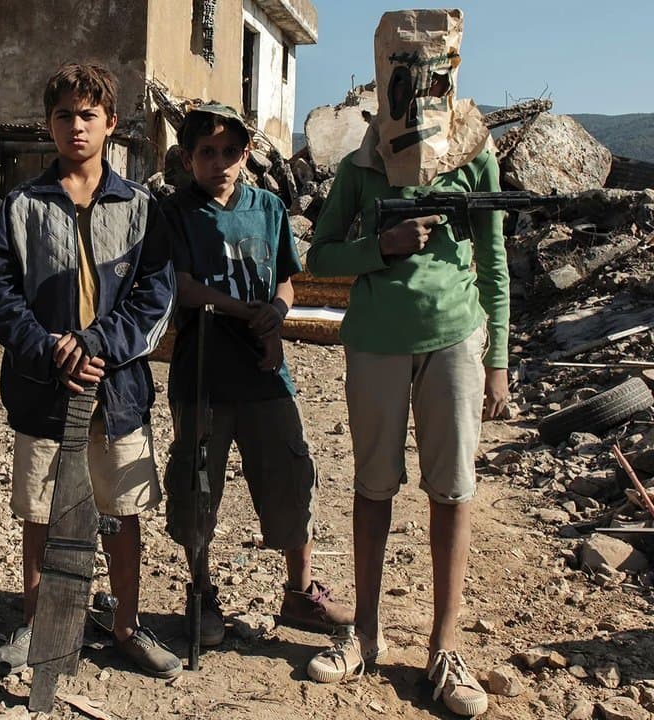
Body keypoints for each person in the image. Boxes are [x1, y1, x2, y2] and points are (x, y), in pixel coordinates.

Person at [303, 10, 509, 718]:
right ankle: (363, 633)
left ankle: (444, 649)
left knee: (452, 493)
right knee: (373, 488)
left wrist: (499, 358)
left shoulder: (474, 154)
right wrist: (381, 248)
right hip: (376, 344)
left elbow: (494, 262)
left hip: (455, 340)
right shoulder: (362, 165)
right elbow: (319, 258)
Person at [0, 62, 180, 679]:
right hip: (44, 389)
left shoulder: (141, 207)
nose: (76, 126)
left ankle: (126, 626)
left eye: (88, 114)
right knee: (40, 512)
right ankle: (39, 622)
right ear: (49, 124)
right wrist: (49, 351)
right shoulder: (21, 206)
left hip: (116, 391)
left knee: (121, 511)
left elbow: (155, 297)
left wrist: (95, 345)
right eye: (64, 114)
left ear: (111, 123)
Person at [160, 104, 353, 651]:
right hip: (204, 370)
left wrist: (277, 311)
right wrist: (244, 311)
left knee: (290, 473)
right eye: (207, 152)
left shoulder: (267, 207)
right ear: (188, 158)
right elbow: (182, 285)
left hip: (266, 372)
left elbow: (288, 277)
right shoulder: (175, 212)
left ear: (246, 155)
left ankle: (299, 591)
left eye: (229, 151)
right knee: (198, 484)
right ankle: (201, 592)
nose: (219, 162)